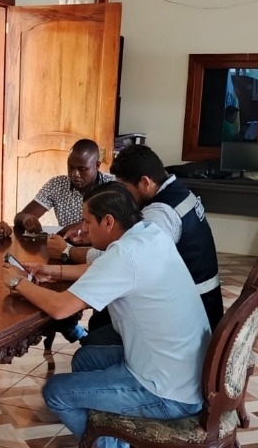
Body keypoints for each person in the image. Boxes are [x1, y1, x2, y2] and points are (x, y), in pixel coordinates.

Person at [1, 182, 210, 448]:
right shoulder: (150, 235)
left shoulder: (126, 254)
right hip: (186, 371)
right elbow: (102, 268)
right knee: (87, 359)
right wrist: (52, 272)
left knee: (57, 392)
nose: (82, 229)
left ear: (108, 221)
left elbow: (60, 308)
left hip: (167, 392)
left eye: (87, 221)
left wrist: (17, 282)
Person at [50, 144, 223, 339]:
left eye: (124, 189)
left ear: (145, 182)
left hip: (189, 313)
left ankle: (99, 351)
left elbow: (121, 260)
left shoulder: (160, 214)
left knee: (103, 318)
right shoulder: (178, 191)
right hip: (201, 299)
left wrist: (67, 252)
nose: (122, 197)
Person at [13, 138, 113, 241]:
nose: (75, 174)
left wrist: (83, 225)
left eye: (82, 169)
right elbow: (20, 217)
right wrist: (26, 219)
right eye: (70, 167)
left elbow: (122, 224)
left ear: (97, 166)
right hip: (66, 246)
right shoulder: (57, 185)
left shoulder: (112, 185)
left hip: (105, 247)